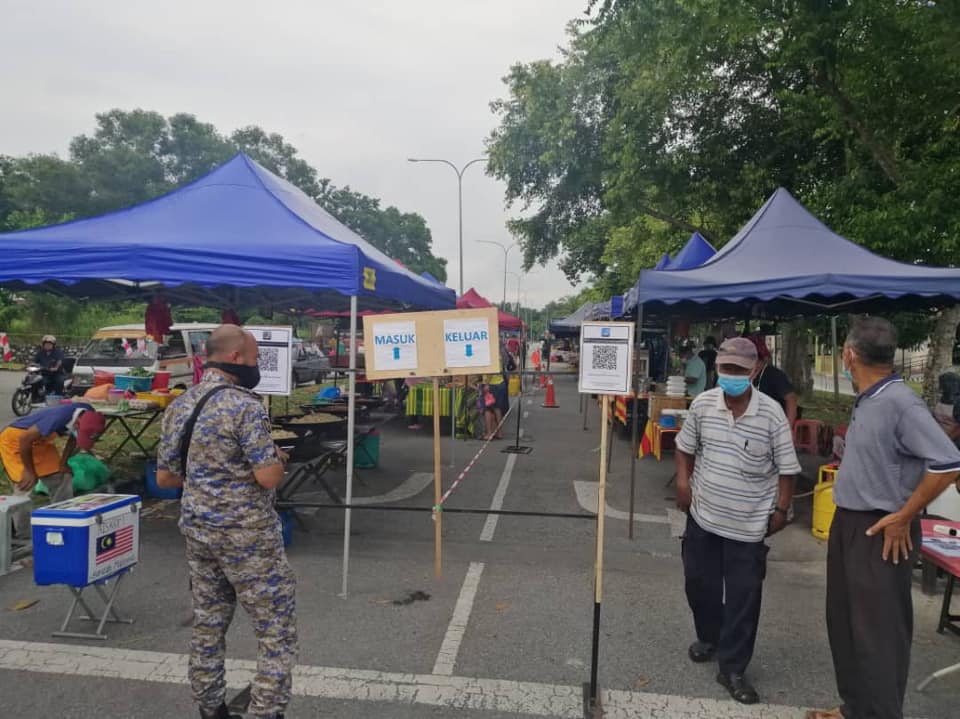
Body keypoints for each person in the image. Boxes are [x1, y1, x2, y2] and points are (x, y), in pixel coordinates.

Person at [807, 317, 960, 719]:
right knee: (844, 624)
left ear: (849, 355)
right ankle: (853, 708)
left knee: (878, 634)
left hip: (881, 529)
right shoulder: (870, 396)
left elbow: (947, 463)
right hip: (850, 523)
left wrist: (903, 516)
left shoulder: (899, 402)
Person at [155, 325, 295, 719]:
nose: (256, 365)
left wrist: (211, 470)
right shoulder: (245, 406)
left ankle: (209, 706)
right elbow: (267, 476)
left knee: (209, 623)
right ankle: (266, 711)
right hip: (247, 536)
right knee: (275, 629)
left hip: (199, 531)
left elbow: (166, 479)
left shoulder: (180, 406)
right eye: (253, 357)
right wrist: (278, 460)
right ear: (235, 357)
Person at [674, 337, 801, 705]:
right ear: (718, 369)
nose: (731, 376)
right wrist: (683, 482)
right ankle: (710, 636)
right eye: (726, 369)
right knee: (699, 584)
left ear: (755, 371)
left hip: (748, 525)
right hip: (704, 516)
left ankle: (733, 667)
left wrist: (781, 509)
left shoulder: (772, 414)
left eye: (739, 370)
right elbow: (685, 447)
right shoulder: (703, 404)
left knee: (744, 597)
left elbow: (787, 469)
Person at [0, 403, 105, 537]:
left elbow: (74, 438)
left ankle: (62, 520)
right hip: (16, 440)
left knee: (62, 476)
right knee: (25, 484)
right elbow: (25, 440)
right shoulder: (57, 418)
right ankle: (24, 534)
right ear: (78, 423)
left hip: (40, 441)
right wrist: (29, 471)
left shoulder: (90, 414)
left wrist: (63, 462)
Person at [749, 334, 798, 427]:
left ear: (761, 359)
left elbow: (791, 399)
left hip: (772, 425)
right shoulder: (744, 374)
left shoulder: (774, 375)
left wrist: (787, 428)